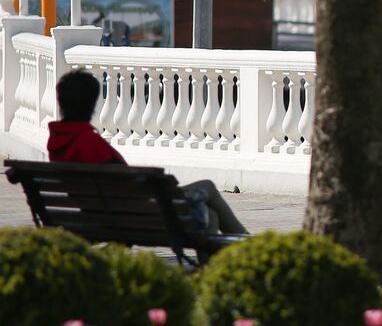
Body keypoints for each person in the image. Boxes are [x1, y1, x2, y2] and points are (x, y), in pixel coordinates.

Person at [48, 70, 248, 236]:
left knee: (209, 216)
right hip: (140, 214)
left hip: (103, 214)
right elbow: (130, 186)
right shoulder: (88, 142)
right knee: (208, 187)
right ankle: (250, 249)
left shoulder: (58, 141)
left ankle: (213, 270)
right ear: (91, 105)